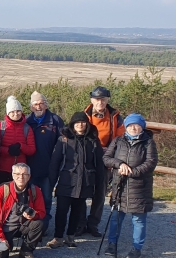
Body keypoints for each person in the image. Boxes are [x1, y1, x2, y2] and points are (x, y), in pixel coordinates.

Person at [47, 112, 105, 249]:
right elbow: (55, 163)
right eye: (77, 122)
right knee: (61, 210)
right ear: (72, 124)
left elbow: (99, 165)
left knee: (77, 211)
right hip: (67, 180)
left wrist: (99, 185)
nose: (80, 125)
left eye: (83, 122)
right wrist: (51, 183)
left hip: (85, 181)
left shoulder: (93, 141)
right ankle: (58, 237)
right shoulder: (64, 140)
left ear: (87, 124)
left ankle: (70, 236)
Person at [103, 114, 157, 258]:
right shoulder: (118, 141)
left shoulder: (148, 143)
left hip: (139, 188)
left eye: (137, 125)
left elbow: (150, 163)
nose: (133, 128)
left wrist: (132, 172)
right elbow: (106, 158)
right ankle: (111, 244)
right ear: (126, 127)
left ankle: (136, 248)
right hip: (119, 186)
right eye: (130, 125)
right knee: (116, 218)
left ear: (142, 127)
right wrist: (119, 164)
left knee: (138, 221)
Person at [80, 86, 126, 238]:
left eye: (103, 99)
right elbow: (78, 135)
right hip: (86, 158)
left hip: (106, 158)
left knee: (99, 194)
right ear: (92, 100)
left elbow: (120, 138)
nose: (100, 102)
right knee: (81, 192)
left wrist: (110, 151)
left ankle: (93, 224)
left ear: (107, 100)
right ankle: (79, 224)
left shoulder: (115, 117)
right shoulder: (84, 116)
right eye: (97, 99)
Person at [0, 163, 46, 258]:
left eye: (24, 174)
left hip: (23, 225)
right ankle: (9, 244)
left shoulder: (35, 190)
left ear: (29, 177)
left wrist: (34, 215)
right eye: (17, 174)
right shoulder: (2, 190)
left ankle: (26, 251)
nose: (20, 177)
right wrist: (1, 238)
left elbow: (42, 212)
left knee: (39, 223)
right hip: (4, 228)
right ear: (12, 175)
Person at [25, 91, 64, 234]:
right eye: (35, 104)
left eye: (41, 103)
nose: (38, 106)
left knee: (47, 198)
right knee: (31, 198)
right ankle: (32, 226)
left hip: (49, 168)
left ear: (46, 105)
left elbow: (63, 143)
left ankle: (44, 226)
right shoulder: (27, 121)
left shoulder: (55, 120)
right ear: (31, 107)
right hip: (31, 168)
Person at [0, 96, 36, 189]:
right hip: (2, 168)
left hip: (20, 171)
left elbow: (32, 149)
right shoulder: (1, 126)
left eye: (18, 111)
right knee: (1, 194)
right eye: (12, 112)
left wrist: (21, 146)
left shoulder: (27, 128)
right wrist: (8, 150)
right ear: (8, 113)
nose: (16, 114)